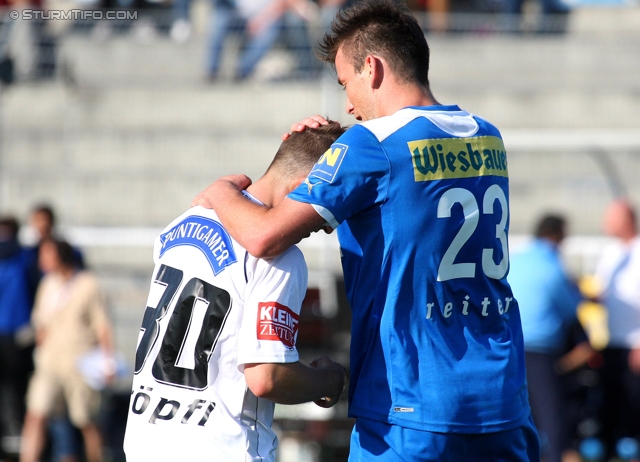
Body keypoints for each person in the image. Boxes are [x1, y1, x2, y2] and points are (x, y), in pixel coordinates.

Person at [193, 1, 539, 460]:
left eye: (346, 84)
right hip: (502, 398)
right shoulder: (486, 136)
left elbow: (264, 235)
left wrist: (219, 192)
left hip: (412, 405)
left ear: (372, 68)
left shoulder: (370, 142)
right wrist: (331, 152)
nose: (349, 105)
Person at [123, 122, 347, 461]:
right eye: (324, 213)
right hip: (221, 448)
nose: (326, 226)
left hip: (145, 442)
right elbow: (266, 377)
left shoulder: (184, 222)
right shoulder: (280, 258)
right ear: (304, 189)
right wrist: (326, 381)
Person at [20, 239, 114, 462]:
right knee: (36, 414)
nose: (42, 260)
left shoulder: (88, 284)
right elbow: (40, 322)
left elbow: (102, 327)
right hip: (50, 362)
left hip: (80, 362)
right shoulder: (48, 284)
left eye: (47, 255)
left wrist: (107, 361)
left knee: (87, 420)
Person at [508, 214, 593, 462]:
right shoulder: (552, 264)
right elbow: (570, 308)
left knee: (520, 414)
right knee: (552, 417)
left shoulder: (517, 258)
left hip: (512, 346)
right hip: (540, 352)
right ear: (556, 235)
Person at [593, 199, 640, 458]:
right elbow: (601, 295)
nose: (606, 222)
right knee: (610, 404)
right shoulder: (610, 254)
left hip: (634, 344)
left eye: (612, 216)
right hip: (611, 343)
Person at [0, 216, 33, 460]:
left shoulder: (25, 259)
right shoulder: (24, 257)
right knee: (12, 389)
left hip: (16, 334)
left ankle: (15, 439)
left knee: (14, 389)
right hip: (14, 333)